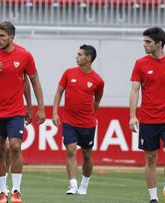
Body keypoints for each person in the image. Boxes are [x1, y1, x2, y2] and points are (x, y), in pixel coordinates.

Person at [0, 21, 45, 203]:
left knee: (14, 147)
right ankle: (3, 192)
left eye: (1, 36)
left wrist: (38, 108)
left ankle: (16, 190)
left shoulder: (24, 56)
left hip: (15, 111)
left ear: (11, 37)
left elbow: (33, 81)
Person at [129, 27, 165, 203]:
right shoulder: (140, 63)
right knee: (151, 157)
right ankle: (153, 198)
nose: (144, 45)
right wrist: (132, 115)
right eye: (144, 41)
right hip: (147, 119)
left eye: (148, 42)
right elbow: (134, 90)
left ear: (159, 44)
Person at [52, 44, 104, 196]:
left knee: (87, 154)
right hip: (69, 121)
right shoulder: (68, 73)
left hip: (87, 123)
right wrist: (55, 112)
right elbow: (58, 93)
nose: (77, 56)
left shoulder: (98, 80)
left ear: (88, 58)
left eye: (80, 54)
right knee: (70, 150)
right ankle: (73, 185)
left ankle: (84, 185)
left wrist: (91, 114)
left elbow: (98, 98)